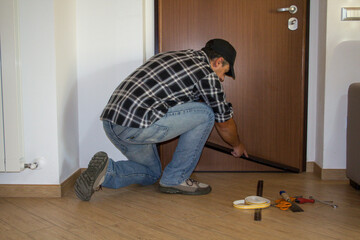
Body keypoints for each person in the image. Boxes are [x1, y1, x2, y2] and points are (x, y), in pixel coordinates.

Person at [74, 39, 248, 201]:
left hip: (113, 124)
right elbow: (224, 123)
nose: (222, 78)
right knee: (207, 114)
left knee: (151, 173)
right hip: (137, 125)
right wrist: (237, 145)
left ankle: (106, 172)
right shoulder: (206, 73)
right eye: (224, 72)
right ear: (218, 62)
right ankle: (175, 179)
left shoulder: (172, 56)